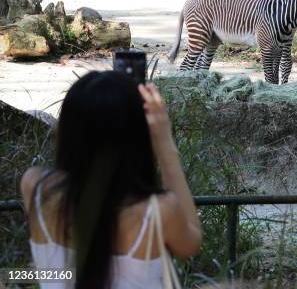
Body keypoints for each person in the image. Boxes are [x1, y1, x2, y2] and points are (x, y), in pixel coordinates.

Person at [20, 71, 202, 289]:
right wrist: (165, 143)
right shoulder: (157, 211)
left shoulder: (36, 187)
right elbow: (191, 243)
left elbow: (65, 272)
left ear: (68, 132)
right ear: (137, 138)